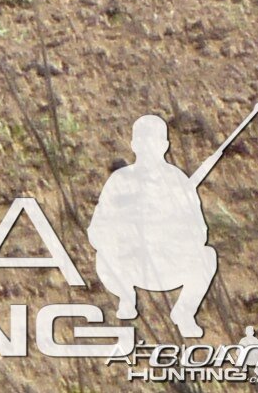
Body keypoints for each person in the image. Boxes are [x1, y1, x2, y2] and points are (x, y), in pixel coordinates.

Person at [92, 117, 222, 337]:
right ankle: (126, 298)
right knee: (103, 256)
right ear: (134, 145)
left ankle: (184, 313)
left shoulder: (178, 182)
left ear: (165, 145)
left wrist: (170, 230)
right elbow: (97, 229)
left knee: (207, 256)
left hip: (167, 263)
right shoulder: (120, 181)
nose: (149, 149)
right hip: (129, 264)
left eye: (154, 142)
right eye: (143, 143)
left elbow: (199, 231)